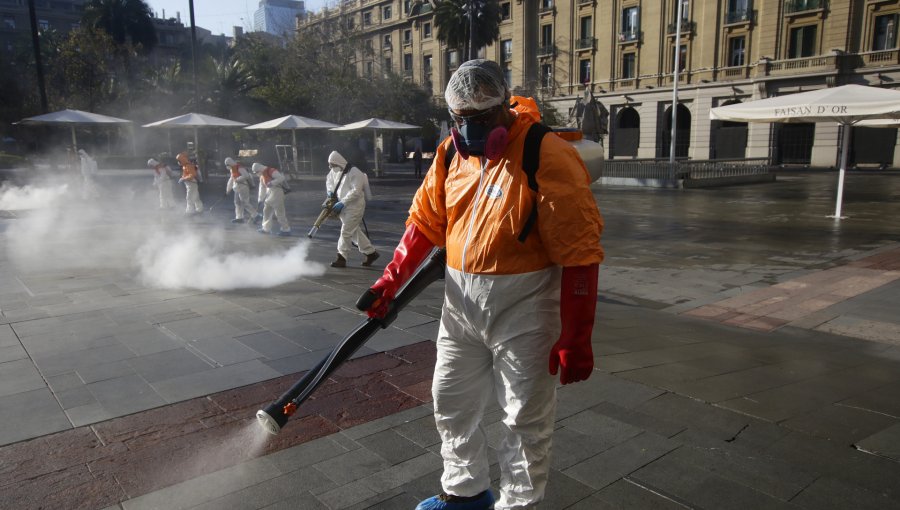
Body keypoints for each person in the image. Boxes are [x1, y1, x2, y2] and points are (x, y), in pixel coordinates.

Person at [358, 59, 604, 510]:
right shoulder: (451, 154)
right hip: (460, 308)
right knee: (449, 401)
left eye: (480, 119)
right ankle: (465, 493)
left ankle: (517, 506)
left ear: (503, 108)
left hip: (525, 309)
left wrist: (577, 336)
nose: (469, 129)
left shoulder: (545, 154)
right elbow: (425, 223)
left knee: (523, 421)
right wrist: (389, 281)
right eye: (460, 120)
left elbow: (580, 253)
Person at [325, 150, 379, 268]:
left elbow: (356, 191)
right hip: (342, 205)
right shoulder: (334, 171)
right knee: (353, 231)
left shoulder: (355, 172)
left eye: (333, 165)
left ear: (339, 163)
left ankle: (341, 257)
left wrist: (343, 202)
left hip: (355, 206)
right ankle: (371, 253)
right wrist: (329, 191)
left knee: (346, 231)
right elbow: (329, 181)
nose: (331, 167)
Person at [252, 162, 291, 236]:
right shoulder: (262, 176)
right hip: (269, 194)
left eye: (256, 172)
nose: (256, 174)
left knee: (279, 213)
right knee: (266, 211)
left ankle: (286, 229)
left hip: (277, 192)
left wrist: (272, 183)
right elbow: (262, 188)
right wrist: (260, 199)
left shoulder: (270, 170)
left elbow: (281, 178)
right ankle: (266, 229)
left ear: (259, 169)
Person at [224, 157, 256, 223]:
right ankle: (239, 217)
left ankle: (255, 215)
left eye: (227, 165)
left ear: (230, 163)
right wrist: (228, 190)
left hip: (243, 187)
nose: (227, 166)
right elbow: (231, 180)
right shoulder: (232, 169)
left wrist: (238, 179)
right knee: (237, 202)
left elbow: (246, 175)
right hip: (237, 188)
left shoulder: (239, 167)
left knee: (244, 202)